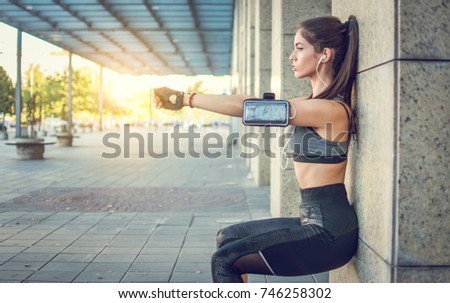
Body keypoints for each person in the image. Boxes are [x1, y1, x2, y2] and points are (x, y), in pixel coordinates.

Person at [154, 15, 359, 283]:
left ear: (324, 55)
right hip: (313, 221)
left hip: (329, 234)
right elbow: (249, 105)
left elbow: (250, 108)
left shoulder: (328, 109)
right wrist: (184, 99)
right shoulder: (312, 103)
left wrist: (186, 99)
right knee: (227, 238)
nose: (291, 56)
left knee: (225, 261)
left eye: (299, 47)